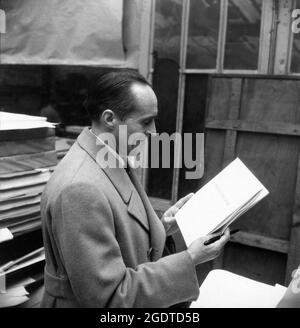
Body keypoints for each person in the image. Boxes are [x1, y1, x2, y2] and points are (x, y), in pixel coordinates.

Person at [40, 69, 230, 308]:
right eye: (145, 122)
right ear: (110, 119)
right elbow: (109, 297)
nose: (154, 132)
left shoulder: (109, 157)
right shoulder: (79, 188)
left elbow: (115, 229)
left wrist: (160, 227)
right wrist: (190, 259)